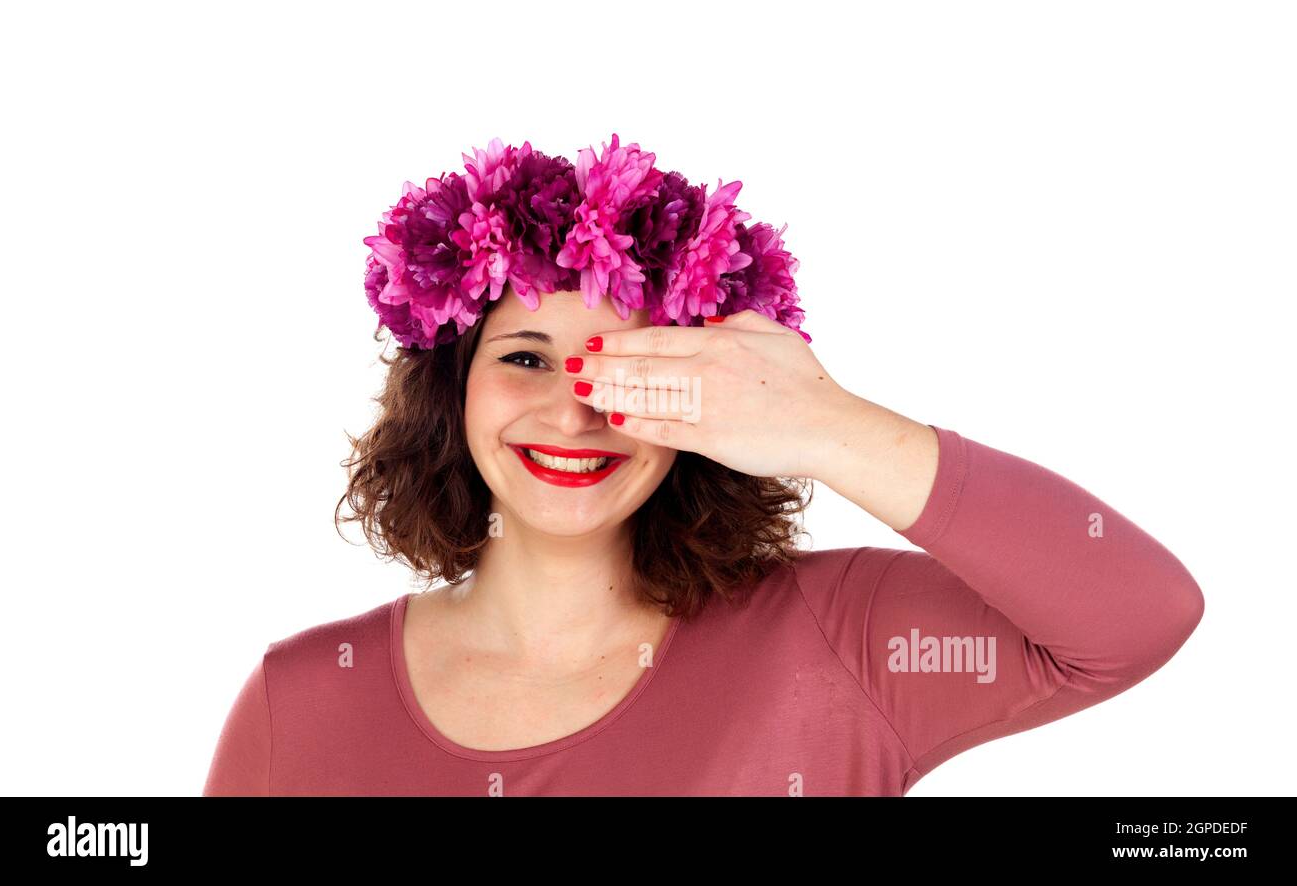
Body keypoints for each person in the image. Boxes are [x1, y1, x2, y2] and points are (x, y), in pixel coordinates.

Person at [202, 136, 1204, 796]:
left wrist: (826, 424)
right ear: (450, 393)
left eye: (628, 367)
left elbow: (1135, 615)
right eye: (523, 359)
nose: (575, 408)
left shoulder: (834, 641)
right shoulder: (300, 705)